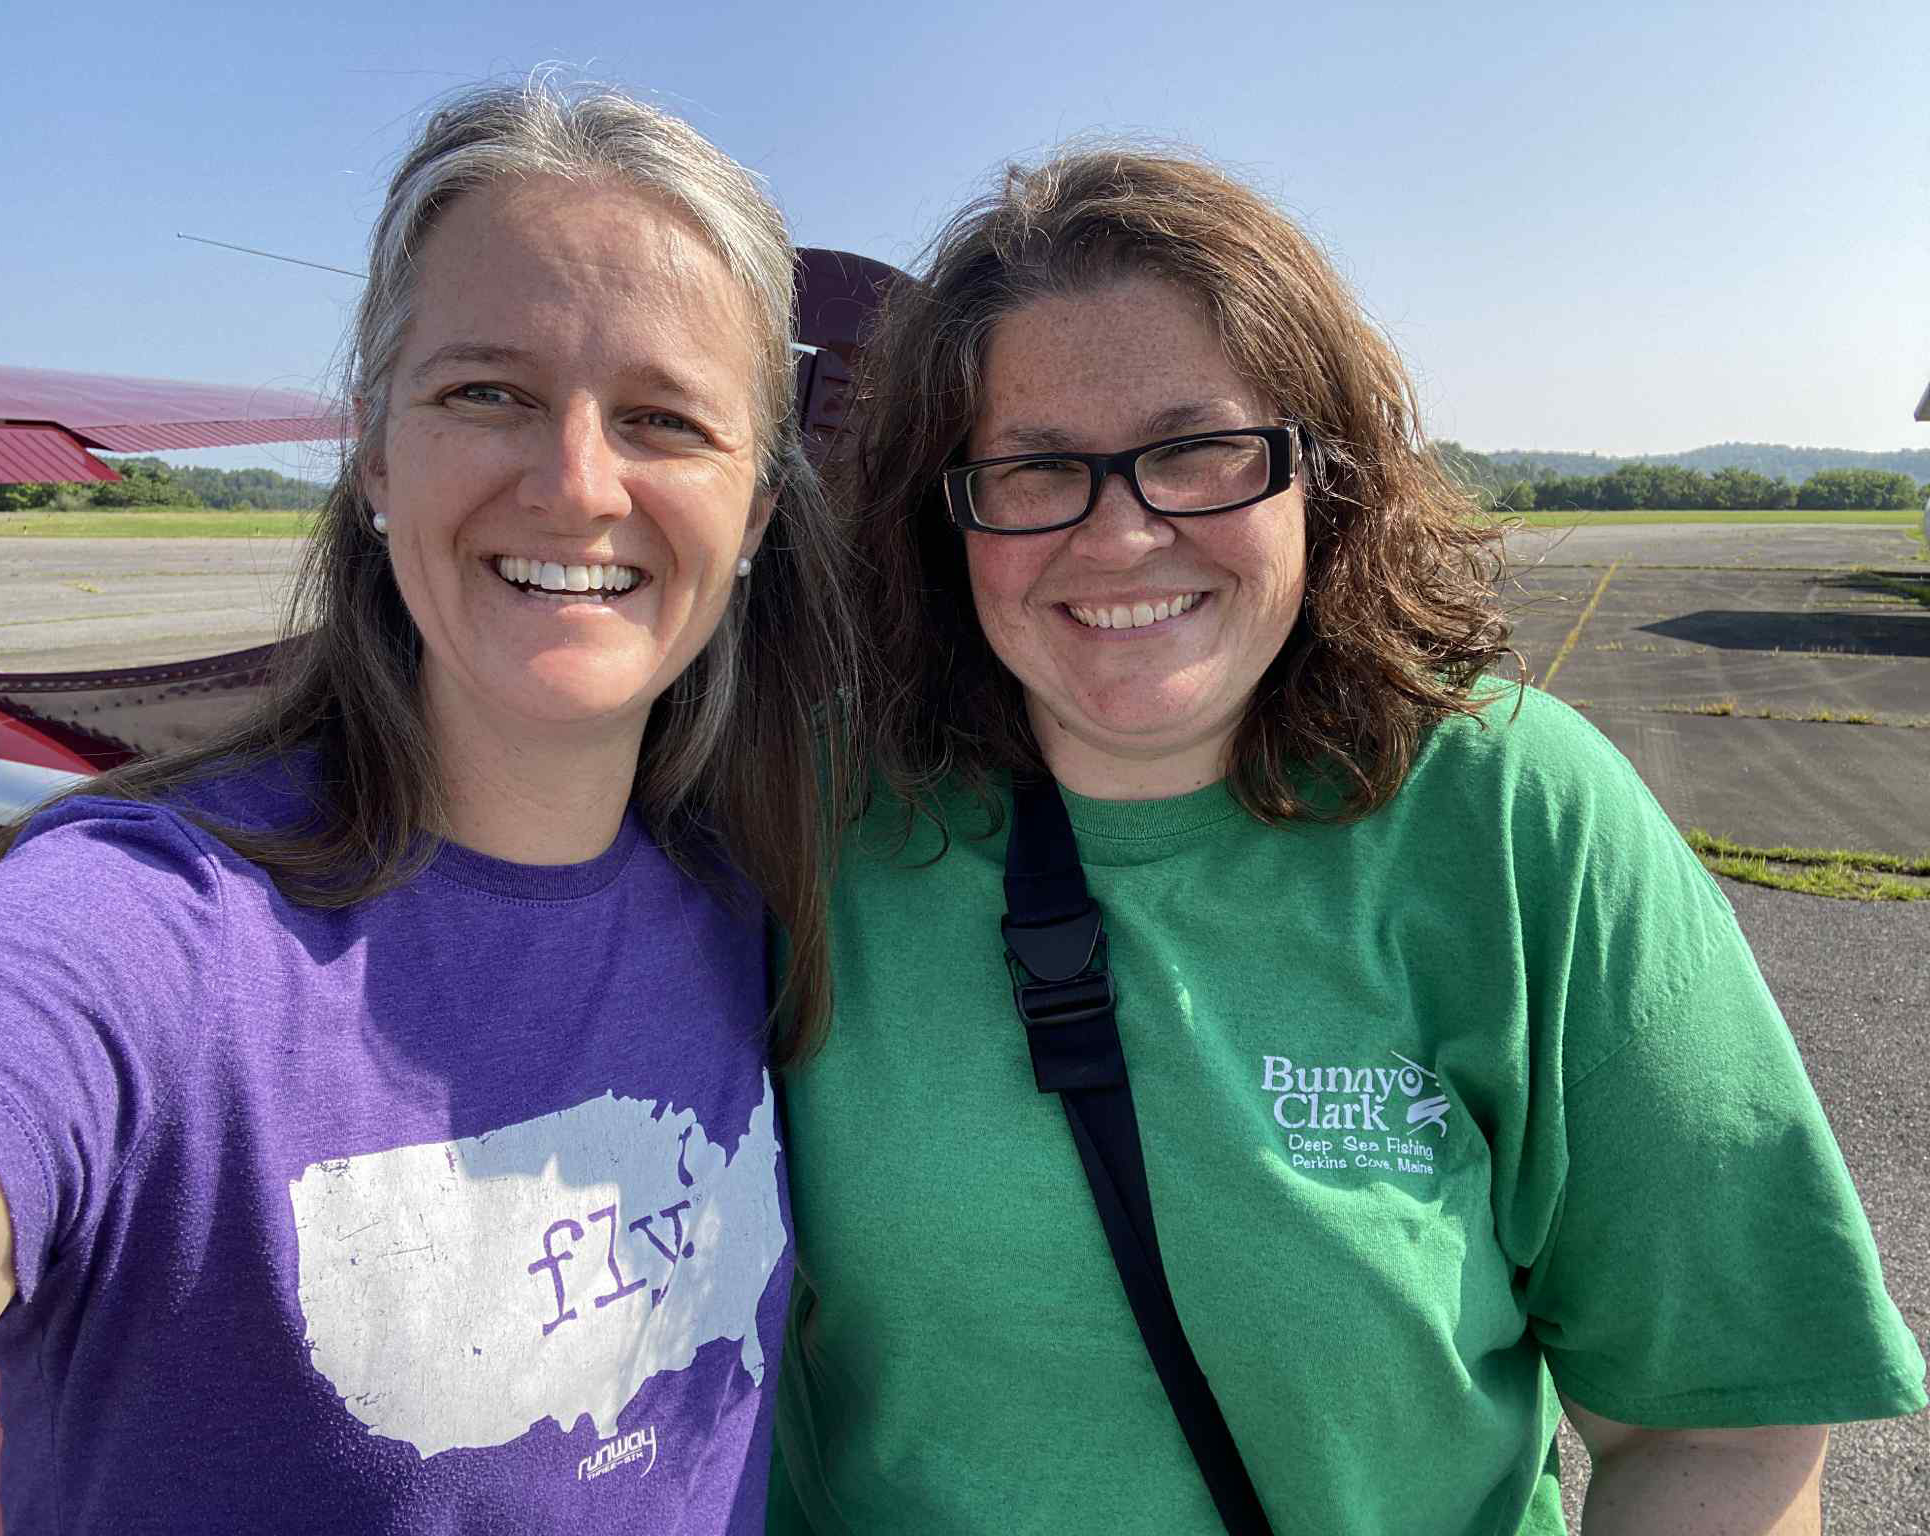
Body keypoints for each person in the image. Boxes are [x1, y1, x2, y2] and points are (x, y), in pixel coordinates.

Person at [769, 148, 1924, 1535]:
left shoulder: (1512, 815)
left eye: (1197, 451)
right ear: (942, 510)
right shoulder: (813, 819)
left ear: (1320, 474)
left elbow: (1715, 1427)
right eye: (1035, 468)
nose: (1122, 536)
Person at [0, 79, 859, 1532]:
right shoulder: (150, 944)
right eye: (487, 394)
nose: (578, 484)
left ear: (758, 508)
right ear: (376, 452)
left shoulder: (755, 898)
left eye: (665, 419)